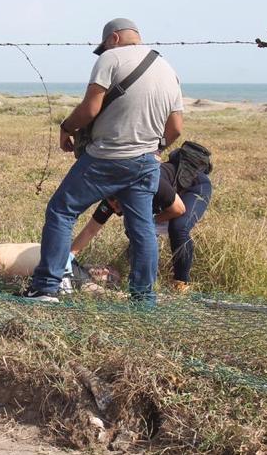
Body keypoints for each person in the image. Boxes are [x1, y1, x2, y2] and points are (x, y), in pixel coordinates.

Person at [21, 18, 183, 304]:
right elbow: (176, 129)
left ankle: (46, 288)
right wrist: (155, 150)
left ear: (114, 39)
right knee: (142, 228)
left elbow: (90, 108)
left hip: (107, 158)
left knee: (61, 210)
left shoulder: (110, 58)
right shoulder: (167, 68)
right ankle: (143, 300)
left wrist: (66, 127)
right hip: (146, 161)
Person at [70, 144, 213, 293]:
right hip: (164, 202)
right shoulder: (112, 199)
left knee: (178, 228)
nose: (116, 209)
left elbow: (179, 209)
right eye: (113, 206)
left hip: (193, 186)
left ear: (127, 196)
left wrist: (153, 220)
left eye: (119, 204)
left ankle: (181, 283)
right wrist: (69, 256)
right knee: (135, 228)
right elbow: (90, 230)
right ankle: (145, 279)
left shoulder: (151, 182)